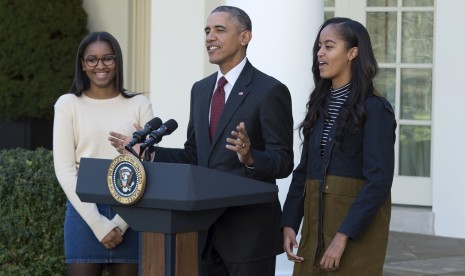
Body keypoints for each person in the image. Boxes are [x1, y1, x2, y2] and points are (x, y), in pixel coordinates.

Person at [109, 5, 293, 276]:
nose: (209, 37)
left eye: (219, 30)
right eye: (207, 31)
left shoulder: (270, 91)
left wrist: (251, 157)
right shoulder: (201, 89)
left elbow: (283, 161)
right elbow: (194, 154)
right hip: (204, 233)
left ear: (245, 37)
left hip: (248, 237)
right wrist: (147, 153)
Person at [281, 17, 396, 276]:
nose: (320, 53)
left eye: (329, 46)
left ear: (352, 52)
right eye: (319, 47)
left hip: (353, 233)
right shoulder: (319, 106)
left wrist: (343, 236)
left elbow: (378, 181)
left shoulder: (376, 110)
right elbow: (304, 170)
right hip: (314, 228)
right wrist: (289, 222)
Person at [53, 31, 154, 276]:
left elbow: (151, 166)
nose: (100, 65)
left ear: (117, 61)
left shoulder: (139, 104)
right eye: (92, 59)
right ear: (83, 65)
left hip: (132, 210)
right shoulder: (68, 104)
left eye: (108, 58)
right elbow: (65, 170)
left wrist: (120, 223)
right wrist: (99, 224)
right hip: (83, 211)